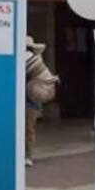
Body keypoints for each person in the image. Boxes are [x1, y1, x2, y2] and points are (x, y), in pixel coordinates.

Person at [25, 36, 57, 167]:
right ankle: (27, 155)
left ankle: (27, 155)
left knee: (27, 129)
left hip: (28, 101)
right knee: (29, 129)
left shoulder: (28, 59)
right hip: (32, 101)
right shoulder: (37, 59)